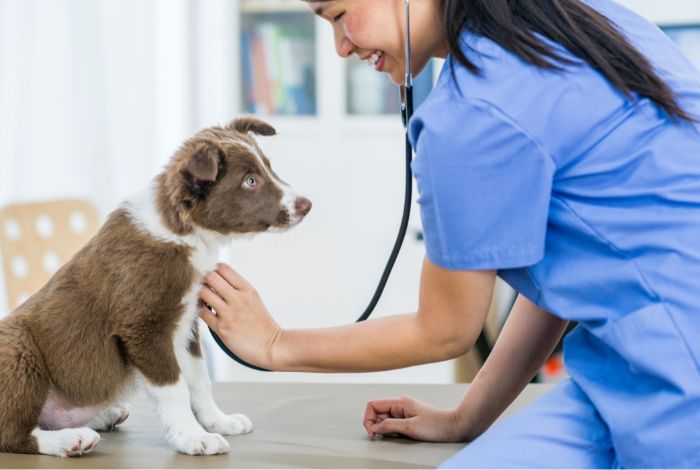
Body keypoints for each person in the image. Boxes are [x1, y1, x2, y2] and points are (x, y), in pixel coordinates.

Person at [199, 0, 700, 467]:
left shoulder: (470, 115)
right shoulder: (581, 21)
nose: (340, 46)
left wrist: (274, 344)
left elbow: (445, 328)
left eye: (338, 15)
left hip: (678, 375)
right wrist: (466, 418)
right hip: (621, 370)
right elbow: (561, 270)